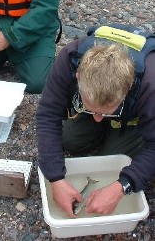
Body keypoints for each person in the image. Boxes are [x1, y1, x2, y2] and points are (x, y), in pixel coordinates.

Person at [36, 24, 155, 218]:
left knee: (114, 157)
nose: (98, 119)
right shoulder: (69, 58)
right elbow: (48, 114)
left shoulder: (150, 85)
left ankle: (118, 133)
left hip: (134, 120)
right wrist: (55, 178)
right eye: (93, 110)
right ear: (78, 77)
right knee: (69, 139)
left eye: (105, 112)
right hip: (103, 102)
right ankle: (100, 115)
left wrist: (122, 186)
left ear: (128, 89)